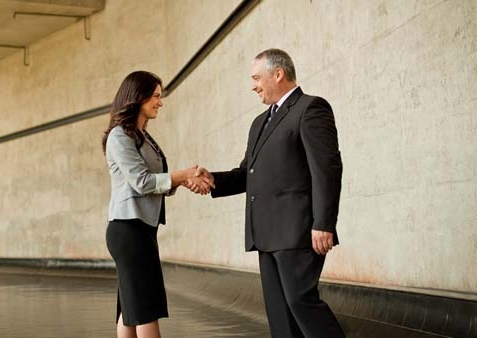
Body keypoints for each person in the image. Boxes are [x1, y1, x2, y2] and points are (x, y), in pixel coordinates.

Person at [186, 49, 346, 338]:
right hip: (266, 233)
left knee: (301, 303)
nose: (254, 85)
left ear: (278, 73)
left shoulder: (311, 109)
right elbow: (248, 172)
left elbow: (327, 169)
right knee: (279, 316)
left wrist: (324, 223)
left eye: (257, 77)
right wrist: (214, 180)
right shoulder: (259, 122)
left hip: (297, 231)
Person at [103, 70, 213, 338]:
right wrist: (184, 175)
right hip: (128, 230)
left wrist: (184, 181)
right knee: (144, 307)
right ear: (136, 98)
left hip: (140, 229)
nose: (159, 102)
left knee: (131, 309)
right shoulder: (119, 136)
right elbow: (142, 182)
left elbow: (156, 182)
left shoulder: (142, 135)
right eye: (155, 96)